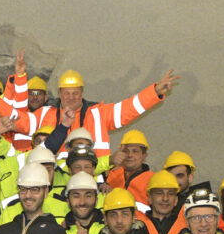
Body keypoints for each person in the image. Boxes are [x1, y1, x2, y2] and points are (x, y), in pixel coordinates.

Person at [51, 68, 180, 168]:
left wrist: (154, 92)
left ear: (82, 93)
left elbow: (129, 108)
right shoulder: (47, 115)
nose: (71, 97)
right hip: (59, 182)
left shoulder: (98, 113)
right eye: (66, 93)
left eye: (75, 93)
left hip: (97, 180)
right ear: (60, 94)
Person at [136, 170, 187, 234]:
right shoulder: (137, 226)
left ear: (176, 200)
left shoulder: (187, 226)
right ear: (149, 198)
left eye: (170, 194)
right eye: (159, 193)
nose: (165, 198)